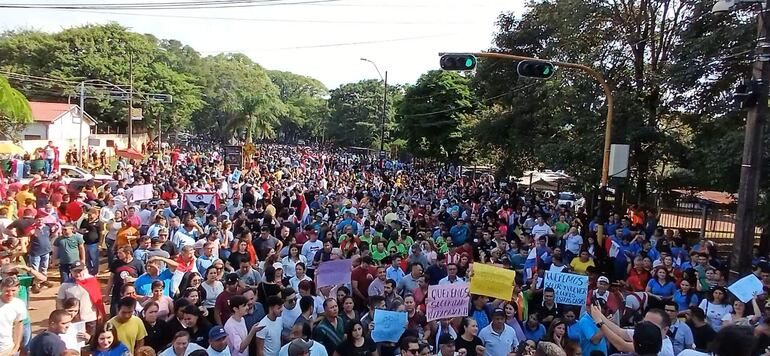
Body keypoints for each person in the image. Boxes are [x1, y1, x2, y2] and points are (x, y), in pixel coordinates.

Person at [0, 276, 26, 356]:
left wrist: (16, 346)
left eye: (13, 290)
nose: (10, 294)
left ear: (18, 289)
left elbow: (19, 325)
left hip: (6, 347)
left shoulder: (19, 304)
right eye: (7, 291)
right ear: (1, 289)